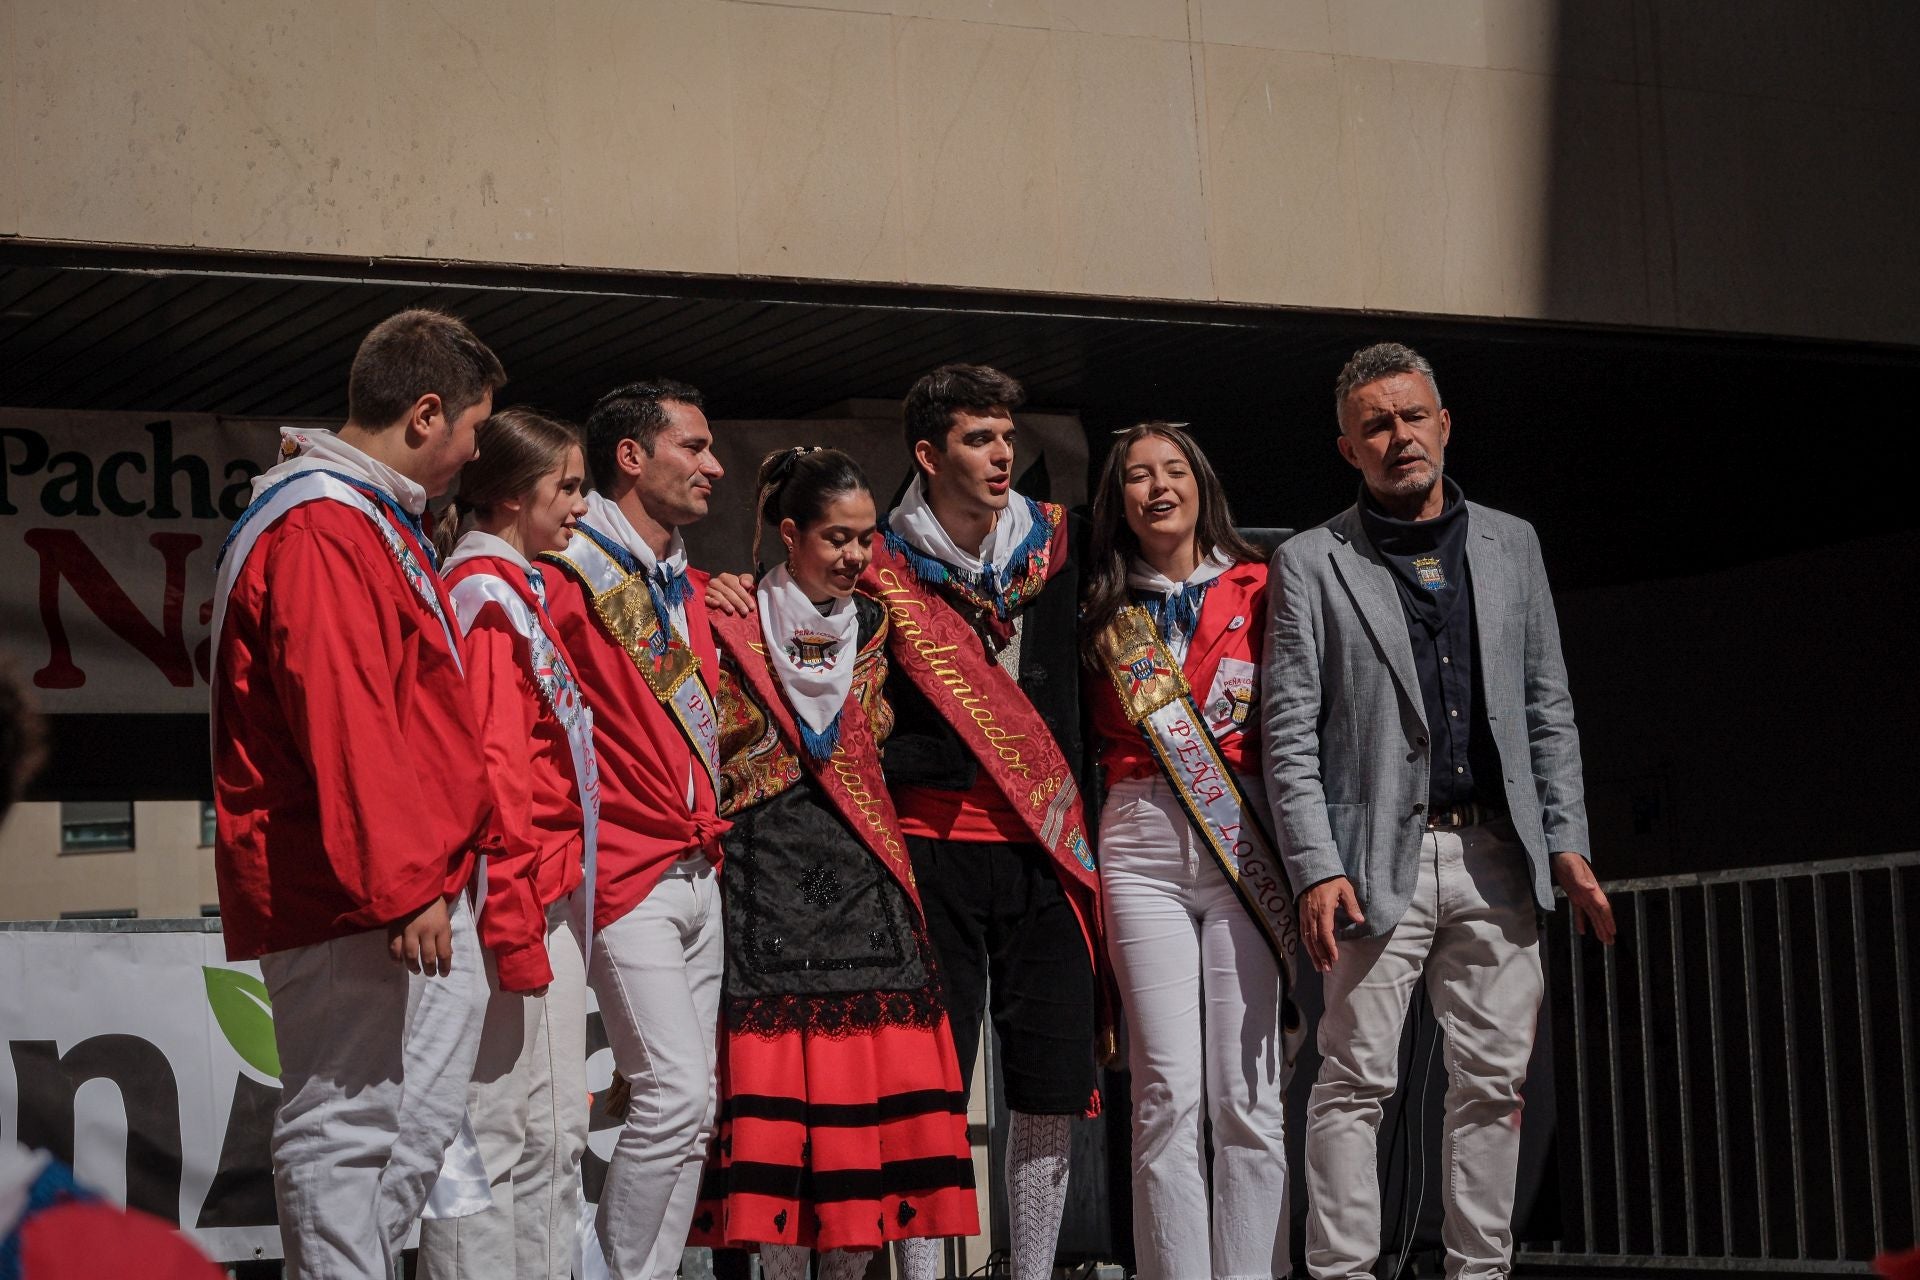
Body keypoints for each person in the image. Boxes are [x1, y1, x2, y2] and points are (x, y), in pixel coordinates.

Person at [1263, 343, 1616, 1280]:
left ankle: (1480, 1272)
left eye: (1413, 417)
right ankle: (1340, 1273)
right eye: (1375, 425)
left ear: (1444, 423)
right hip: (1375, 858)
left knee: (1493, 1083)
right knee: (1353, 1081)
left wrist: (1569, 842)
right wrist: (1316, 864)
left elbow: (1549, 708)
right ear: (1348, 448)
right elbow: (1288, 734)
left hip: (1499, 851)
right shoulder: (1309, 562)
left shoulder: (1513, 543)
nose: (1399, 437)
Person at [209, 308, 505, 1277]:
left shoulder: (351, 515)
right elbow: (347, 716)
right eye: (470, 431)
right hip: (343, 878)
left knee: (389, 1134)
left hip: (374, 872)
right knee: (343, 1127)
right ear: (426, 414)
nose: (472, 455)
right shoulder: (321, 524)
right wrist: (406, 876)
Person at [694, 447, 979, 1280]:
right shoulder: (729, 619)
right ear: (790, 534)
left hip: (864, 886)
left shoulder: (891, 624)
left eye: (864, 539)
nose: (856, 556)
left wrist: (870, 765)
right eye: (835, 539)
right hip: (761, 887)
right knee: (783, 1145)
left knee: (861, 1144)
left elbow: (957, 747)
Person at [869, 364, 1102, 1280]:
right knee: (926, 1085)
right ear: (928, 455)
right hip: (928, 849)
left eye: (1007, 435)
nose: (1002, 453)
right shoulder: (877, 566)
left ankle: (1032, 1269)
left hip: (1048, 846)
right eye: (977, 437)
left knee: (1049, 1085)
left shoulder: (1057, 545)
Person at [1081, 423, 1302, 1280]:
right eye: (1138, 476)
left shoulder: (1263, 585)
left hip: (1240, 833)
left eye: (1174, 471)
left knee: (1246, 1093)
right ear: (1118, 500)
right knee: (1166, 1092)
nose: (1157, 487)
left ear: (1202, 483)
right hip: (1139, 837)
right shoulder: (1098, 601)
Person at [536, 379, 728, 1280]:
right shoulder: (565, 569)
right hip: (624, 868)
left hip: (701, 863)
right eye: (692, 447)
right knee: (671, 1094)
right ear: (631, 457)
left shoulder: (684, 582)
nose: (713, 466)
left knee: (696, 1111)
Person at [419, 409, 597, 1280]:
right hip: (504, 907)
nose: (581, 503)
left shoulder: (518, 587)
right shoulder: (483, 598)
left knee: (554, 1134)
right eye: (565, 487)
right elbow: (496, 777)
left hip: (545, 895)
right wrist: (517, 925)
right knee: (486, 1138)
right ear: (508, 495)